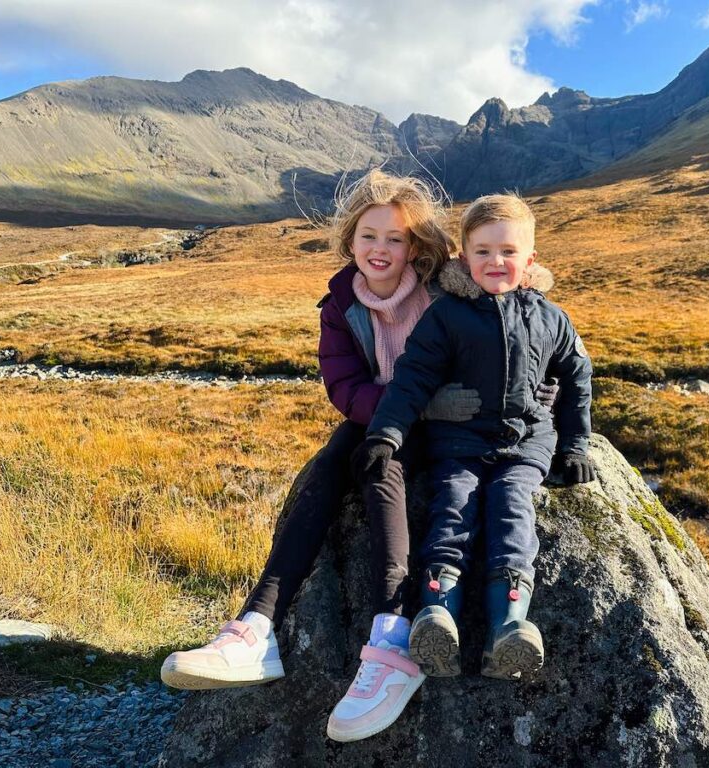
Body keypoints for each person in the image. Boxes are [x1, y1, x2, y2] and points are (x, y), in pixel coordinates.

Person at [161, 169, 476, 741]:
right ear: (350, 240)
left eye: (395, 239)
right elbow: (343, 387)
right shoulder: (339, 304)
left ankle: (392, 641)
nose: (380, 249)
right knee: (332, 465)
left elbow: (504, 308)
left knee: (381, 469)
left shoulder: (443, 293)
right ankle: (258, 628)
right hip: (381, 417)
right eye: (368, 236)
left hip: (439, 428)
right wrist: (391, 407)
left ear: (416, 247)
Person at [353, 193, 595, 683]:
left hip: (526, 445)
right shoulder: (446, 316)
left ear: (530, 259)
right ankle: (438, 613)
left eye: (508, 251)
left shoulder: (552, 318)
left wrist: (575, 445)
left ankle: (509, 625)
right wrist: (385, 434)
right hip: (459, 444)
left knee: (513, 507)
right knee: (453, 507)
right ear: (463, 256)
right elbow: (412, 378)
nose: (496, 262)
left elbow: (576, 380)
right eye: (483, 251)